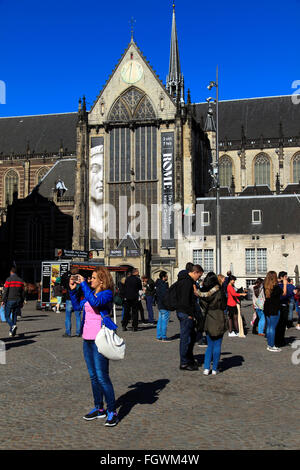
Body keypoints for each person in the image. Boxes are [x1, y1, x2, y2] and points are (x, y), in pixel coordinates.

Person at [69, 266, 118, 426]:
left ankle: (112, 410)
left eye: (93, 277)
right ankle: (99, 408)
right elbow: (77, 307)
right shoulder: (92, 293)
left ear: (102, 280)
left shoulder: (106, 294)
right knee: (93, 376)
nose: (90, 279)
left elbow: (96, 303)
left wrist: (83, 285)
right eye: (90, 277)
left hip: (100, 339)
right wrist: (73, 290)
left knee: (102, 377)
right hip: (87, 339)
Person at [198, 273, 228, 375]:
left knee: (210, 345)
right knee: (217, 345)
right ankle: (214, 368)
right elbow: (224, 305)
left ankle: (206, 368)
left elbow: (202, 305)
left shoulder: (204, 293)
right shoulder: (220, 291)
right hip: (219, 317)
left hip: (208, 318)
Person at [176, 265, 203, 371]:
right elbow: (185, 300)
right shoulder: (187, 282)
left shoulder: (186, 281)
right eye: (199, 276)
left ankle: (189, 359)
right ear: (195, 272)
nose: (198, 279)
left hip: (185, 313)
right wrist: (189, 314)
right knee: (185, 338)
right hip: (185, 314)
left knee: (190, 337)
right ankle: (184, 362)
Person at [264, 271, 287, 352]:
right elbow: (284, 293)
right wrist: (284, 284)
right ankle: (272, 345)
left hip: (267, 307)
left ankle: (269, 344)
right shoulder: (276, 287)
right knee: (273, 327)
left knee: (269, 326)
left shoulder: (265, 286)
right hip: (274, 308)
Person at [1, 267, 25, 337]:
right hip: (18, 300)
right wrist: (22, 301)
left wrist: (3, 300)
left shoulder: (8, 279)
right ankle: (12, 332)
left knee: (7, 316)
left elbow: (5, 291)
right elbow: (23, 292)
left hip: (10, 300)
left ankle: (12, 326)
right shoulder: (21, 280)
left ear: (11, 272)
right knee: (14, 315)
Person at [61, 267, 82, 338]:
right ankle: (78, 332)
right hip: (77, 300)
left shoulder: (69, 280)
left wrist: (69, 273)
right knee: (78, 317)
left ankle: (68, 332)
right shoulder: (79, 281)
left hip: (69, 299)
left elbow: (62, 277)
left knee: (68, 317)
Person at [276, 271, 293, 347]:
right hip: (280, 306)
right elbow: (284, 295)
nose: (287, 278)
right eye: (285, 277)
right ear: (281, 278)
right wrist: (285, 285)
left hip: (285, 305)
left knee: (283, 325)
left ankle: (281, 339)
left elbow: (291, 293)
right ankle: (279, 341)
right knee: (280, 324)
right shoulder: (279, 286)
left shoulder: (286, 285)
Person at [155, 271, 171, 342]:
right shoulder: (163, 285)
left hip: (160, 304)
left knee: (160, 320)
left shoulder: (158, 284)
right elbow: (165, 295)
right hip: (164, 304)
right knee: (164, 321)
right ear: (164, 277)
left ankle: (159, 336)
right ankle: (163, 336)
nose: (167, 277)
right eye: (166, 276)